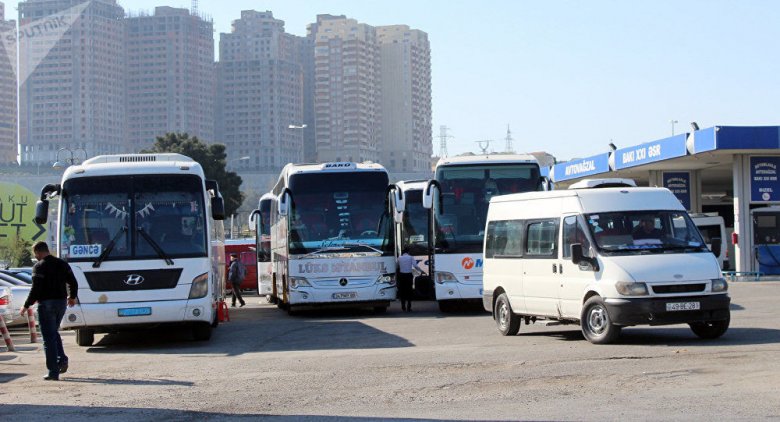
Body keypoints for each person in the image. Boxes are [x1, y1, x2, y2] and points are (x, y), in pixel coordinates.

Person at [20, 241, 78, 381]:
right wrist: (72, 297)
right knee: (53, 332)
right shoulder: (62, 264)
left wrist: (26, 305)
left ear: (38, 252)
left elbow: (35, 289)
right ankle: (62, 359)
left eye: (35, 254)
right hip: (61, 303)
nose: (35, 256)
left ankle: (53, 371)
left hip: (46, 304)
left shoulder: (39, 266)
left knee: (48, 338)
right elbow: (73, 282)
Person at [397, 247, 425, 312]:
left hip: (402, 275)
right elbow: (415, 266)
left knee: (402, 290)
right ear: (408, 252)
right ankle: (409, 306)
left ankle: (403, 306)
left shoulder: (399, 258)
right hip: (409, 275)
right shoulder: (410, 257)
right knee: (409, 290)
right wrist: (421, 271)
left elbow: (397, 266)